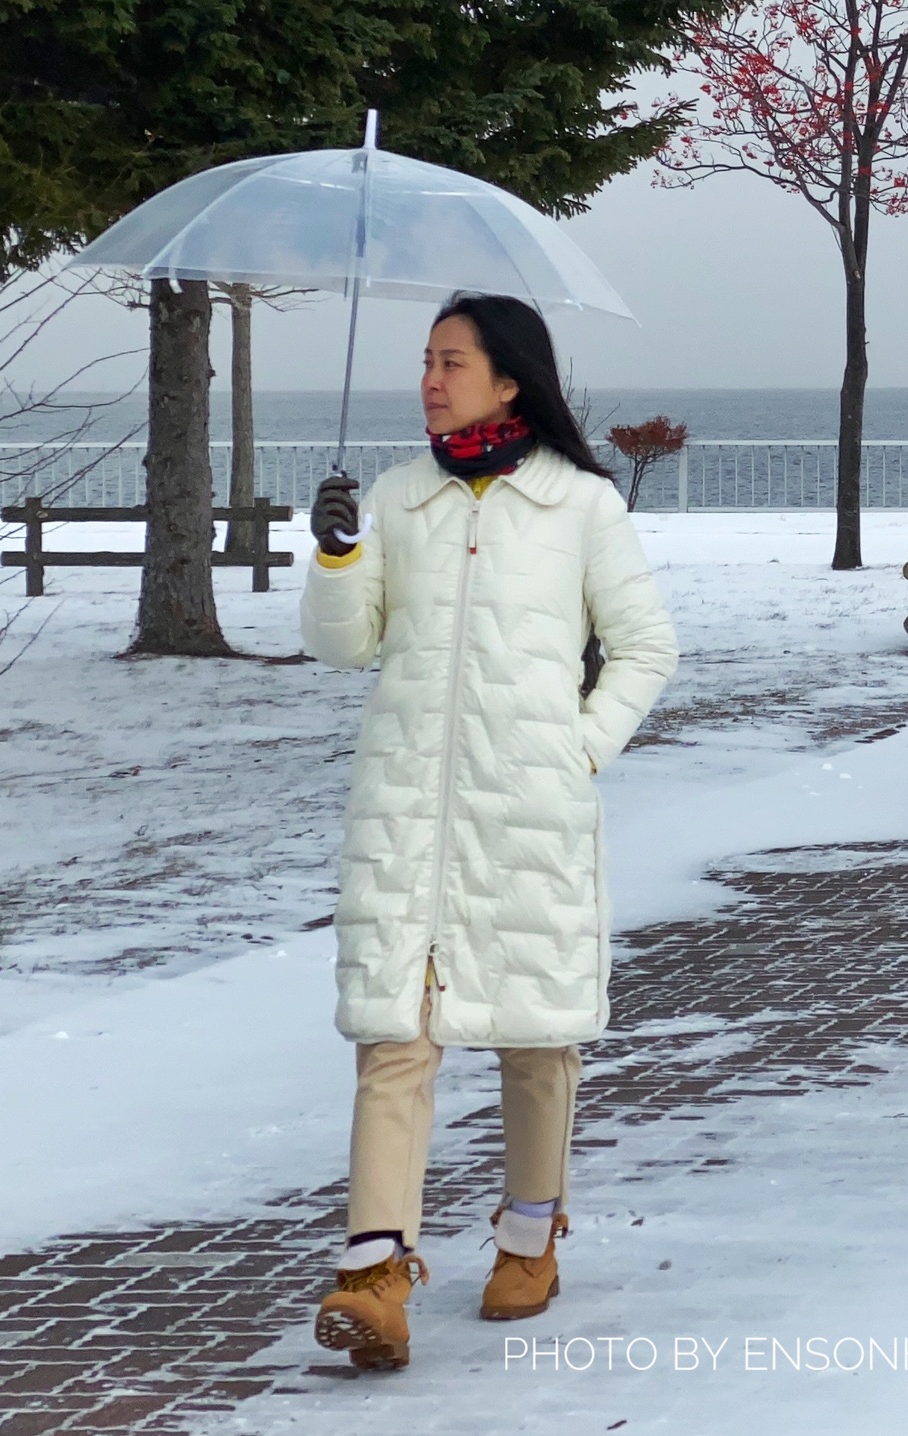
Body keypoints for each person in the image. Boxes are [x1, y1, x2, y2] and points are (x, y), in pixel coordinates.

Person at [299, 293, 679, 1371]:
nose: (430, 378)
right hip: (408, 805)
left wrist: (578, 747)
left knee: (534, 1031)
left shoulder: (579, 505)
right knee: (394, 1030)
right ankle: (374, 1276)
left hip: (528, 801)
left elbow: (647, 648)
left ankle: (529, 1232)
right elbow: (343, 648)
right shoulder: (399, 496)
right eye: (425, 360)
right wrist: (335, 558)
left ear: (509, 379)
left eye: (451, 361)